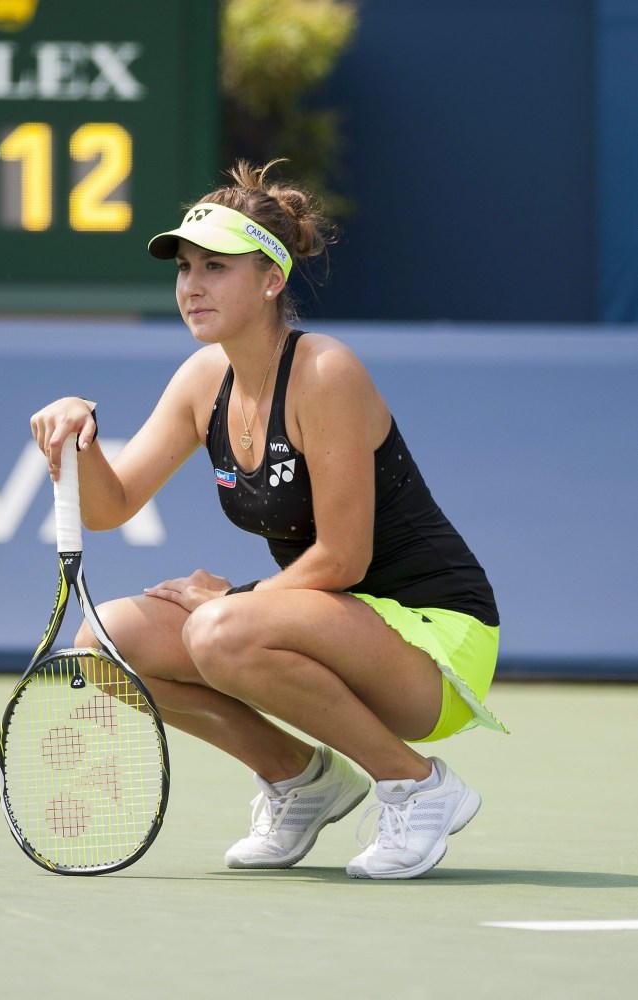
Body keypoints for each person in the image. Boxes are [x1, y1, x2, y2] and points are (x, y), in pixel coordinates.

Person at [30, 160, 506, 880]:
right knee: (105, 643)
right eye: (184, 268)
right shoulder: (202, 380)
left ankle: (416, 784)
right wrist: (79, 437)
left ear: (271, 280)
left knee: (219, 629)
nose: (191, 286)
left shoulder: (324, 371)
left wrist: (235, 602)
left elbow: (343, 558)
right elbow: (109, 506)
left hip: (435, 640)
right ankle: (300, 779)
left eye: (215, 268)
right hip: (328, 617)